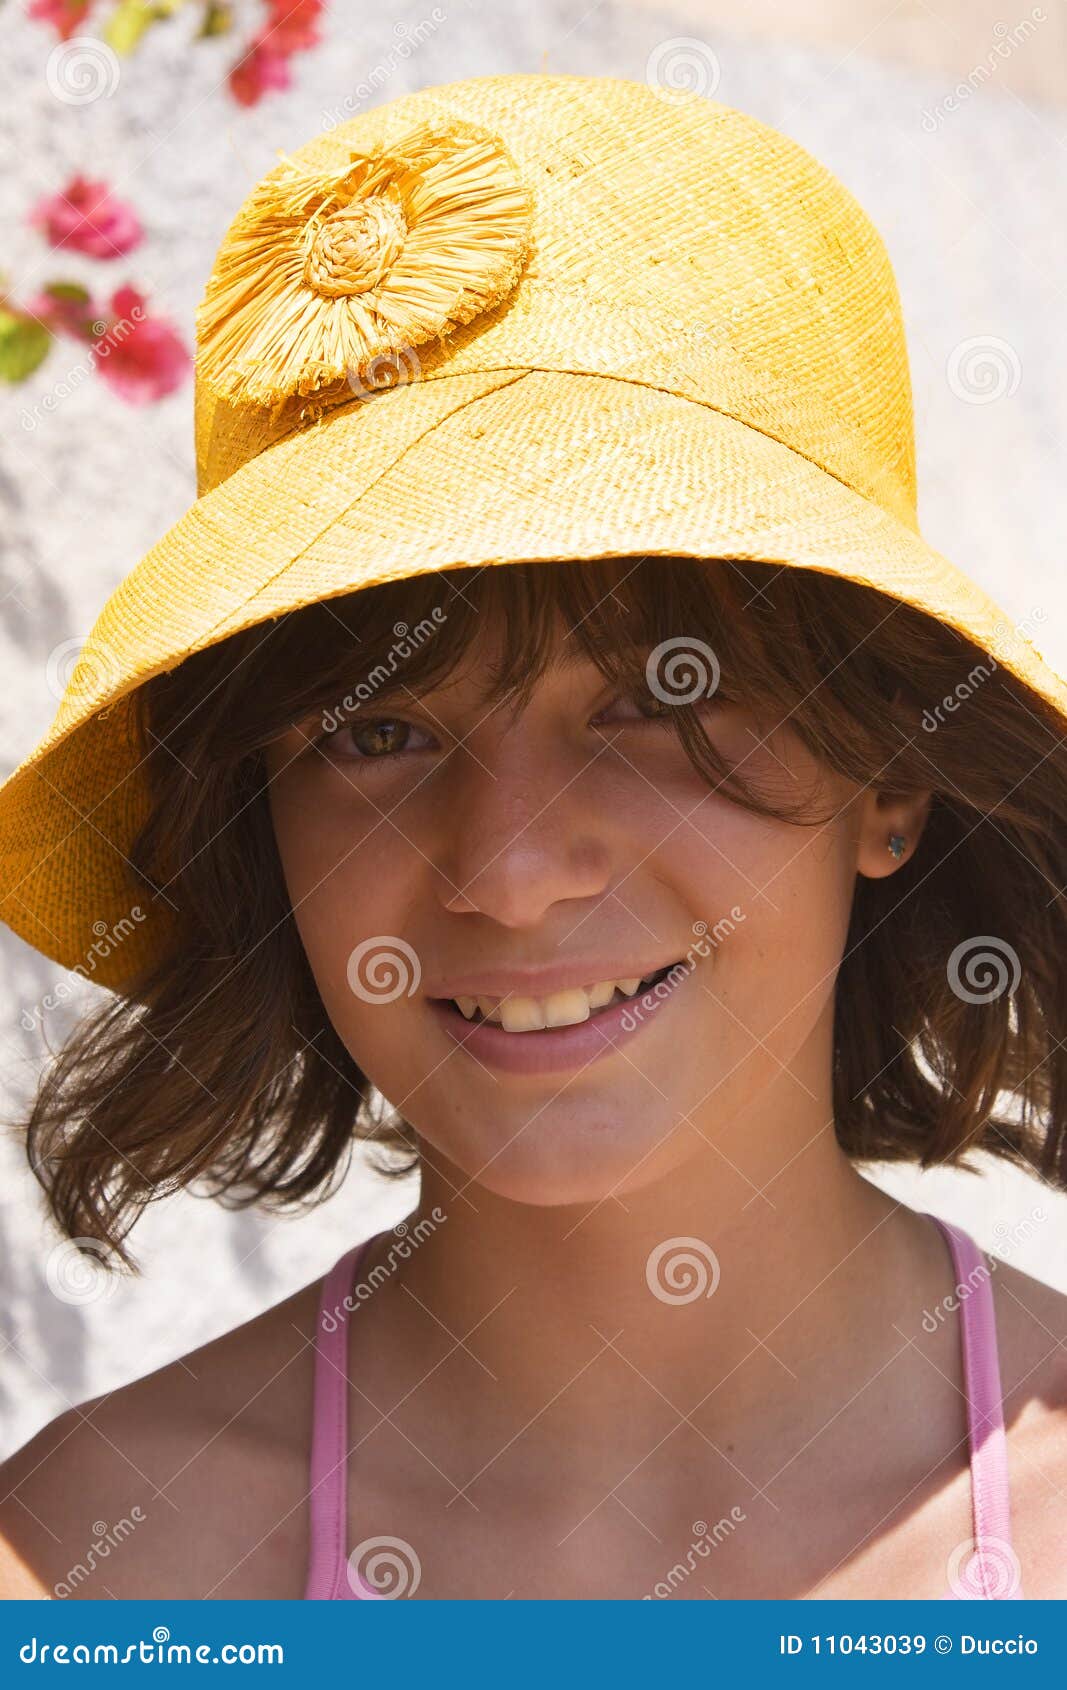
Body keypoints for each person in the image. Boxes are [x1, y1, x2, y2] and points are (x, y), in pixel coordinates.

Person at [0, 73, 1064, 1602]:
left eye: (650, 700)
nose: (506, 868)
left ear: (890, 773)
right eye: (378, 730)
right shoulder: (86, 1581)